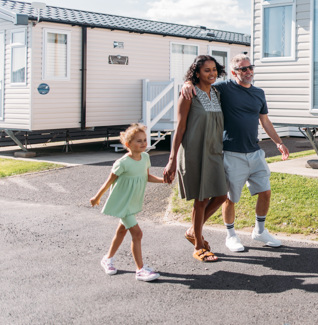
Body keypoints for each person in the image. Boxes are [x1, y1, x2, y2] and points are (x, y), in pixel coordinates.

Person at [182, 54, 289, 253]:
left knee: (265, 192)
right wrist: (188, 82)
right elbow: (203, 80)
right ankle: (231, 235)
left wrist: (279, 143)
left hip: (255, 152)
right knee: (230, 198)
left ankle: (260, 231)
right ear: (234, 73)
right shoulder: (223, 89)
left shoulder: (259, 93)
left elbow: (264, 121)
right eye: (243, 69)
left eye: (250, 68)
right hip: (232, 152)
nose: (248, 72)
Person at [163, 55, 228, 262]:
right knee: (201, 199)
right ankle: (199, 246)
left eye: (214, 69)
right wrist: (172, 160)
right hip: (194, 152)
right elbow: (180, 128)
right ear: (196, 73)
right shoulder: (189, 94)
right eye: (206, 70)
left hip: (214, 152)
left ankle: (193, 230)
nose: (212, 74)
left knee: (221, 196)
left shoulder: (218, 93)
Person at [90, 123, 164, 281]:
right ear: (128, 144)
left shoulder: (145, 157)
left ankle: (107, 259)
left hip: (133, 201)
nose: (143, 143)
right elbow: (109, 181)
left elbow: (147, 177)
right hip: (123, 203)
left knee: (121, 231)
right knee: (137, 233)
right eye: (139, 141)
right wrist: (97, 197)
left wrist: (163, 180)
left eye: (145, 140)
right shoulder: (122, 163)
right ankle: (140, 270)